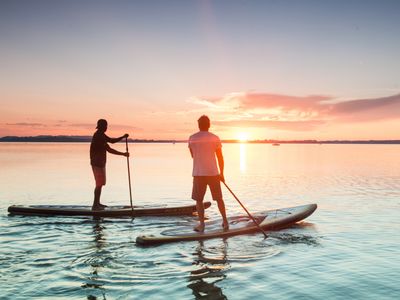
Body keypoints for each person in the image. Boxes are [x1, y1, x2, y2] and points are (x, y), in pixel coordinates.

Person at [188, 115, 229, 232]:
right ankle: (225, 221)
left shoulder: (192, 138)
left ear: (198, 125)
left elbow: (192, 155)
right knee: (219, 198)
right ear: (209, 125)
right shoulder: (215, 138)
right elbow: (220, 157)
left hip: (198, 173)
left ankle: (202, 225)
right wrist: (222, 173)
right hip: (213, 173)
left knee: (199, 200)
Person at [90, 119, 129, 210]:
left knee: (100, 183)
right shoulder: (98, 136)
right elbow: (110, 148)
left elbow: (111, 141)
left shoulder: (101, 135)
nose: (106, 128)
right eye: (105, 126)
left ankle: (97, 203)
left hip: (101, 163)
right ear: (102, 127)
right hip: (97, 163)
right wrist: (123, 154)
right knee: (99, 184)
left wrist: (122, 137)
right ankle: (95, 205)